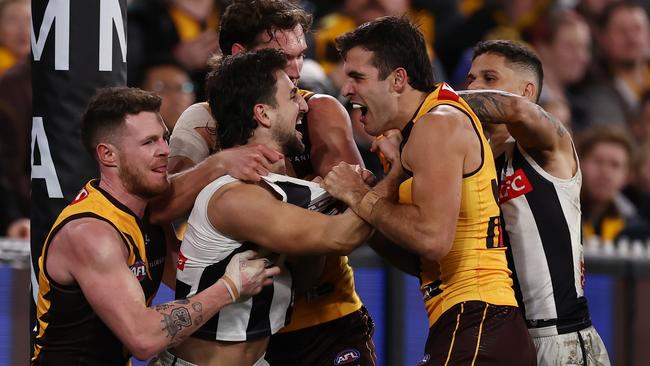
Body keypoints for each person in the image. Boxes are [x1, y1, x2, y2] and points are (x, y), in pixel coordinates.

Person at [168, 2, 376, 365]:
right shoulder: (203, 122)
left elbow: (351, 199)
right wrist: (218, 163)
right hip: (245, 328)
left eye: (301, 56)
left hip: (323, 314)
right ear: (240, 55)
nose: (297, 71)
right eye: (283, 58)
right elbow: (157, 207)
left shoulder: (316, 109)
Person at [323, 16, 535, 365]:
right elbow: (423, 258)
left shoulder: (436, 124)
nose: (346, 89)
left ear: (398, 80)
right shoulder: (431, 121)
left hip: (476, 319)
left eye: (358, 77)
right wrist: (368, 204)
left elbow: (432, 239)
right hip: (479, 324)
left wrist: (360, 196)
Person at [31, 87, 280, 365]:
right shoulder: (91, 233)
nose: (164, 150)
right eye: (149, 142)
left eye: (164, 137)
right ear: (108, 155)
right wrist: (230, 288)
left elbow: (186, 282)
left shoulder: (147, 215)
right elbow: (143, 338)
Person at [460, 39, 611, 365]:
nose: (473, 87)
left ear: (527, 91)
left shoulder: (549, 144)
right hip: (506, 342)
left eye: (489, 78)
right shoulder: (471, 166)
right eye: (470, 79)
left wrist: (432, 101)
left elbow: (515, 110)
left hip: (561, 339)